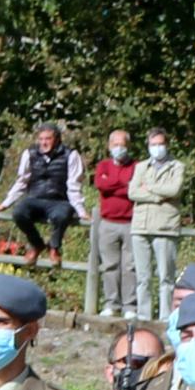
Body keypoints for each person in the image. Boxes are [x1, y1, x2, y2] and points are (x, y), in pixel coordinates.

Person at [127, 127, 188, 323]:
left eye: (160, 144)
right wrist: (159, 196)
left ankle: (165, 317)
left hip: (165, 226)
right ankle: (144, 315)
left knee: (166, 277)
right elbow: (133, 192)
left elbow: (175, 189)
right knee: (143, 277)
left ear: (167, 145)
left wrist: (150, 189)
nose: (157, 148)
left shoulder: (177, 166)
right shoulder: (141, 167)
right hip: (140, 226)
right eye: (153, 145)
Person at [2, 124, 79, 270]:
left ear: (56, 139)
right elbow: (22, 181)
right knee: (19, 213)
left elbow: (74, 185)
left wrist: (81, 211)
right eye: (41, 139)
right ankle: (37, 245)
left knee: (62, 215)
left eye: (48, 139)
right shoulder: (30, 154)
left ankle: (54, 248)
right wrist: (5, 204)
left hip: (59, 200)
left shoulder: (70, 155)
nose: (44, 142)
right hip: (35, 198)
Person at [84, 133, 137, 317]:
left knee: (130, 267)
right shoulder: (103, 166)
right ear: (109, 146)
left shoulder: (136, 166)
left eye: (122, 144)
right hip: (107, 223)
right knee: (109, 266)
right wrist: (123, 183)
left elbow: (134, 190)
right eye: (115, 144)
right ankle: (111, 304)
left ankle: (130, 307)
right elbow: (101, 185)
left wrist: (113, 184)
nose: (118, 148)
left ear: (128, 146)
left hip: (131, 223)